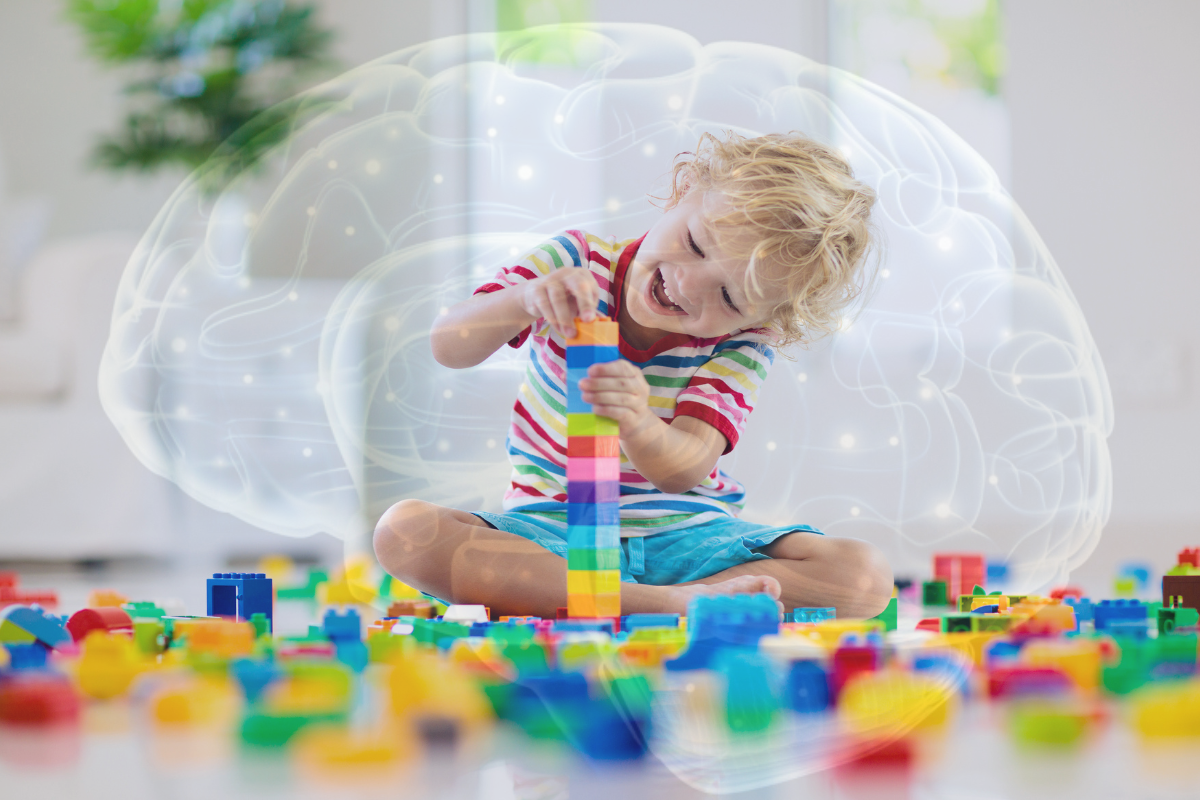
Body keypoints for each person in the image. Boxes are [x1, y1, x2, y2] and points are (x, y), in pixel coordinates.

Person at [374, 131, 893, 619]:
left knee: (864, 575)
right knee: (405, 532)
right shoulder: (575, 260)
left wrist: (636, 421)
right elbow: (448, 345)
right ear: (683, 191)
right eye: (695, 243)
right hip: (552, 528)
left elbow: (684, 467)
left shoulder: (744, 342)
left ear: (763, 316)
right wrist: (524, 299)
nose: (690, 285)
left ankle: (636, 596)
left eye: (730, 296)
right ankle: (669, 604)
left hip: (686, 537)